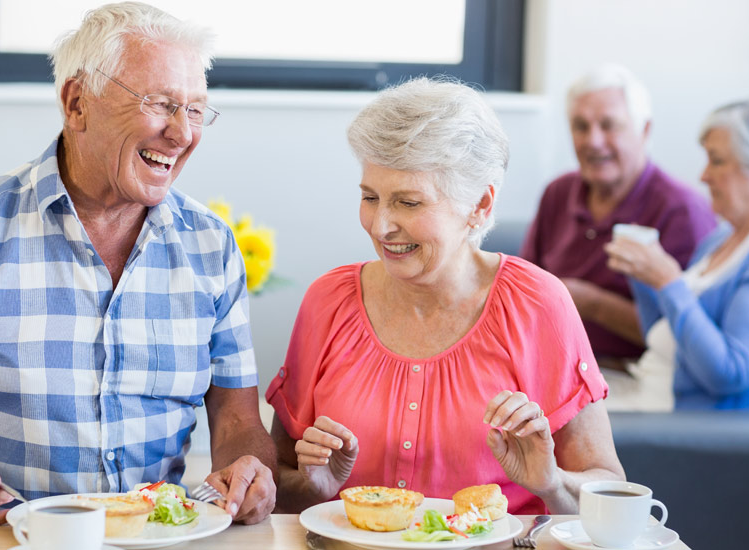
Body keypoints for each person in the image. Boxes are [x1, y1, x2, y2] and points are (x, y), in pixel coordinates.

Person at [0, 3, 276, 548]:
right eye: (159, 104)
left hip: (153, 536)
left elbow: (237, 420)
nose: (181, 133)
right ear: (77, 103)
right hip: (2, 537)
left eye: (196, 110)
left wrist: (248, 471)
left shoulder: (211, 245)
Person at [266, 77, 625, 515]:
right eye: (370, 197)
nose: (380, 226)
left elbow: (608, 490)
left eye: (409, 203)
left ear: (481, 206)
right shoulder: (328, 301)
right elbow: (278, 481)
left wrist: (552, 483)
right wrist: (311, 488)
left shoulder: (538, 304)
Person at [520, 64, 715, 369]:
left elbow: (693, 336)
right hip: (550, 366)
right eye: (580, 127)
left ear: (644, 130)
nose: (593, 141)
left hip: (633, 373)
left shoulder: (682, 210)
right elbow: (524, 291)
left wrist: (592, 304)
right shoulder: (558, 192)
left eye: (609, 125)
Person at [605, 100, 749, 410]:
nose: (703, 176)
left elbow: (730, 372)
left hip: (680, 422)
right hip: (649, 390)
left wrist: (668, 281)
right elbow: (663, 335)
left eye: (716, 161)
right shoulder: (719, 239)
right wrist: (643, 276)